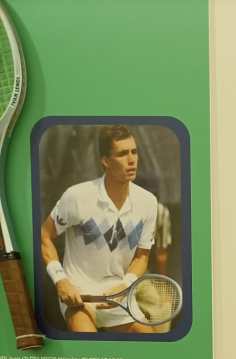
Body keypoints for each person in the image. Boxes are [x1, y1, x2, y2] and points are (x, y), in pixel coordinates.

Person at [40, 125, 160, 333]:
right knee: (87, 345)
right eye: (122, 154)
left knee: (149, 345)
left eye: (134, 152)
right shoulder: (77, 196)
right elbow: (45, 235)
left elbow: (142, 256)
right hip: (78, 297)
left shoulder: (148, 202)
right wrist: (60, 280)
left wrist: (125, 285)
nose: (131, 160)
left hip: (119, 296)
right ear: (105, 161)